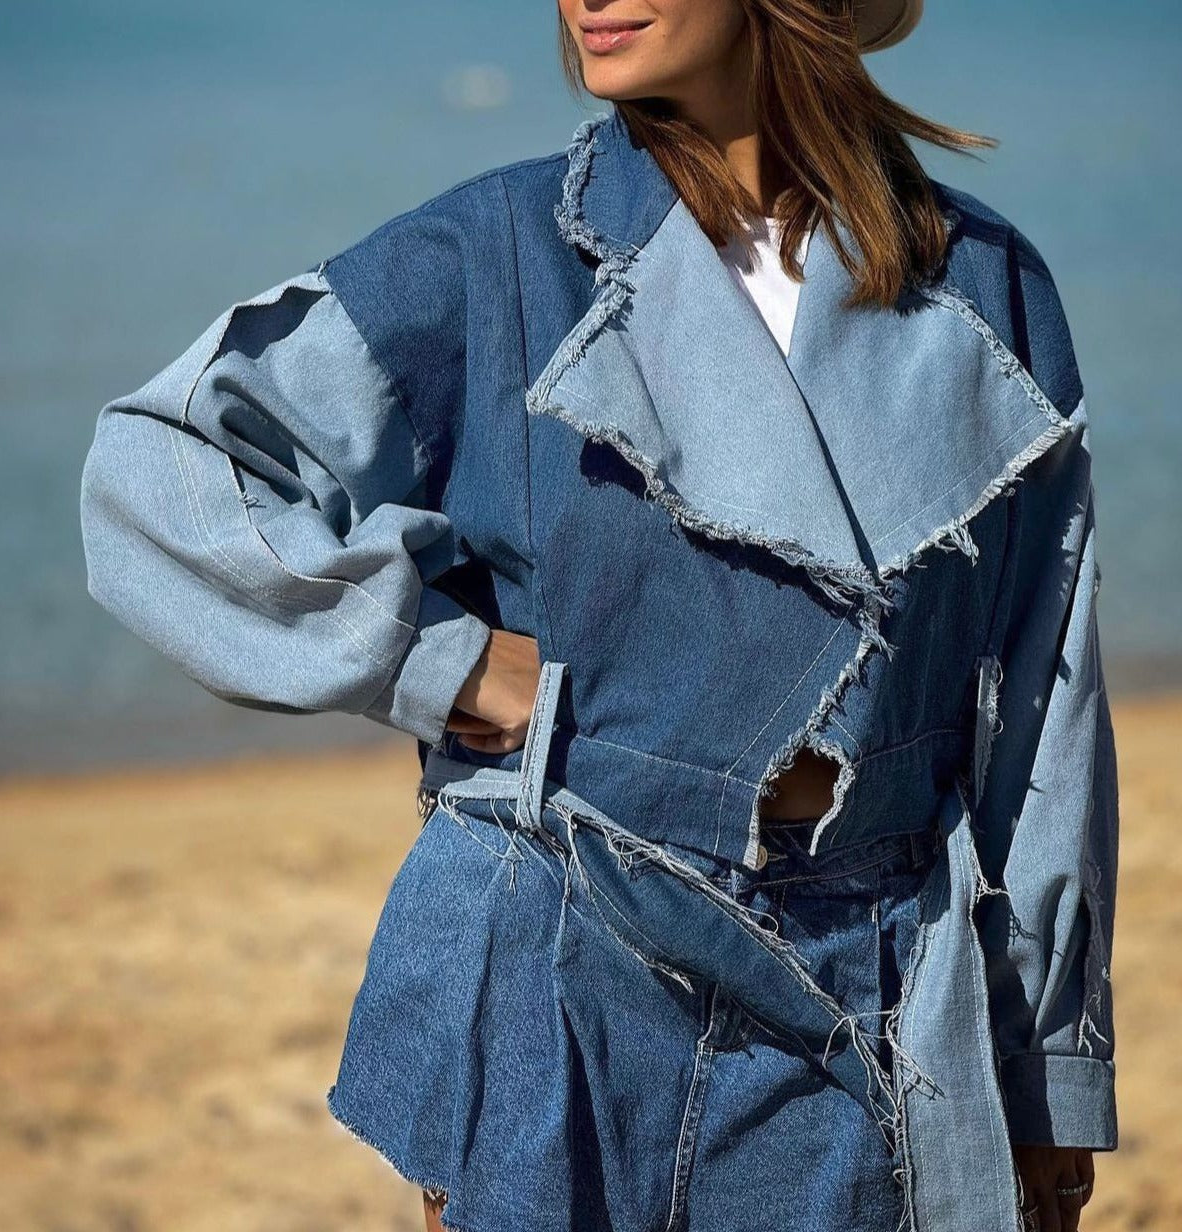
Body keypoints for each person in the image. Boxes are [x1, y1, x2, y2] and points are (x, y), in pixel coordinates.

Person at [79, 2, 1120, 1230]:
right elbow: (166, 465)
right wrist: (434, 658)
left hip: (878, 998)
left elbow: (1041, 697)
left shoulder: (984, 282)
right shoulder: (501, 254)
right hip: (562, 982)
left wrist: (1048, 1065)